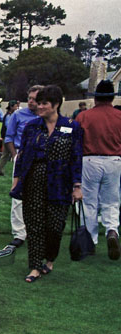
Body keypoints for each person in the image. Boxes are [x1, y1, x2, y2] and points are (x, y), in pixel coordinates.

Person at [10, 85, 83, 282]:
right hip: (34, 179)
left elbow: (76, 157)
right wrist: (17, 181)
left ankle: (49, 259)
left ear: (56, 104)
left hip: (60, 183)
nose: (39, 106)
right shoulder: (32, 126)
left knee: (55, 226)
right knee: (34, 225)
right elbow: (22, 155)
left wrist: (77, 186)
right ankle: (34, 266)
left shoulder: (72, 126)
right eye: (38, 103)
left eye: (44, 103)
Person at [76, 80, 121, 260]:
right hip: (114, 160)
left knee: (89, 202)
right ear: (112, 97)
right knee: (111, 200)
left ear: (95, 98)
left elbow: (77, 142)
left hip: (90, 159)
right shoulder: (119, 116)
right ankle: (112, 230)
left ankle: (90, 241)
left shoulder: (84, 116)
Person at [3, 85, 43, 248]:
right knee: (18, 195)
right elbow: (9, 137)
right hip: (22, 156)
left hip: (41, 158)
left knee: (39, 195)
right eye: (30, 98)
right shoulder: (18, 115)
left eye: (35, 99)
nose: (31, 102)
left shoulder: (46, 115)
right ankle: (19, 233)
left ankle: (35, 230)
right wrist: (15, 156)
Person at [0, 100, 19, 176]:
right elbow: (8, 126)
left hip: (7, 136)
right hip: (9, 137)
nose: (17, 107)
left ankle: (0, 169)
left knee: (5, 154)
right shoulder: (10, 116)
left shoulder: (7, 115)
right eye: (15, 106)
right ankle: (0, 169)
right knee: (7, 154)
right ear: (11, 107)